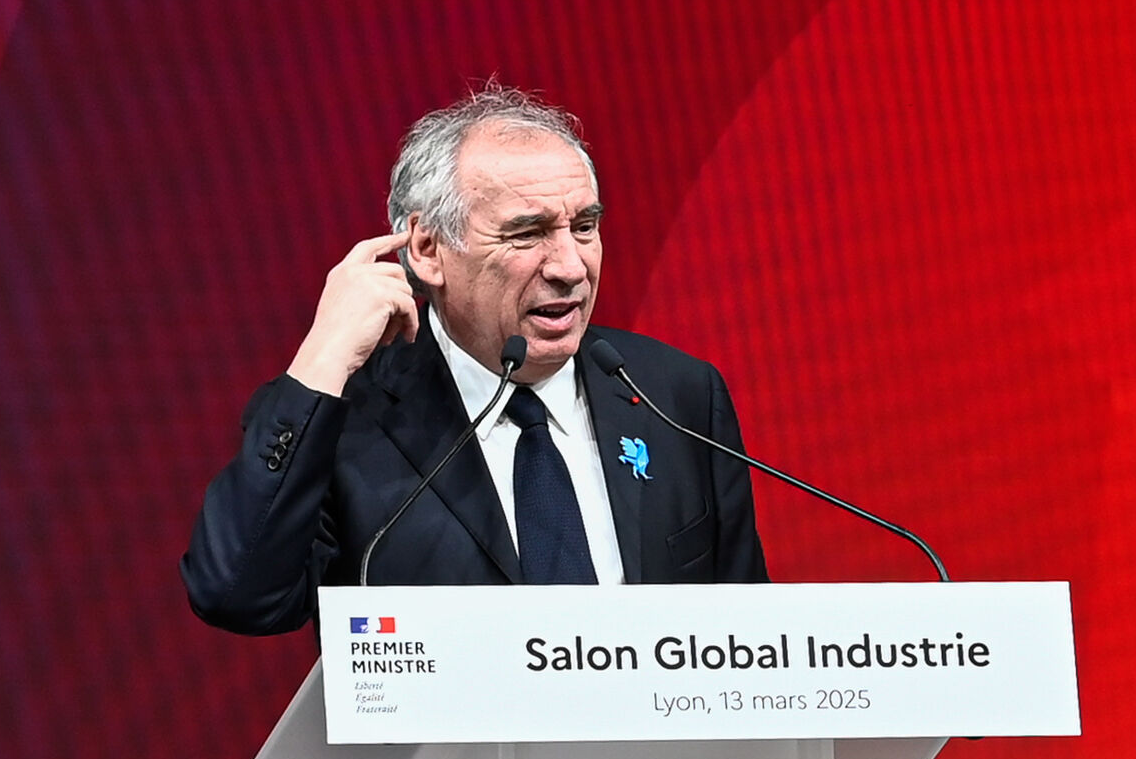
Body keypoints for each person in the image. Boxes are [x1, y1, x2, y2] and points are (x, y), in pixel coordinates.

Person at [181, 86, 767, 635]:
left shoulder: (676, 395)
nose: (570, 267)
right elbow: (237, 595)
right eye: (526, 234)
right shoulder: (344, 419)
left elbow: (750, 637)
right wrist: (321, 358)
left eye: (585, 226)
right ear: (427, 250)